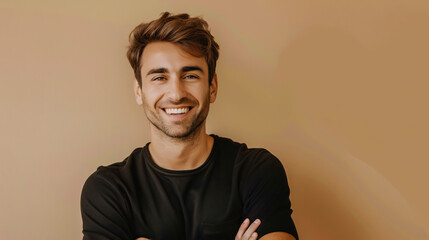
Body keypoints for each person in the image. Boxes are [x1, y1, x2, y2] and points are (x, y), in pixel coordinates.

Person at [80, 12, 298, 240]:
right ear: (139, 91)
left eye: (190, 75)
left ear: (212, 87)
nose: (176, 94)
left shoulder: (256, 172)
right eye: (159, 77)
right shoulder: (109, 190)